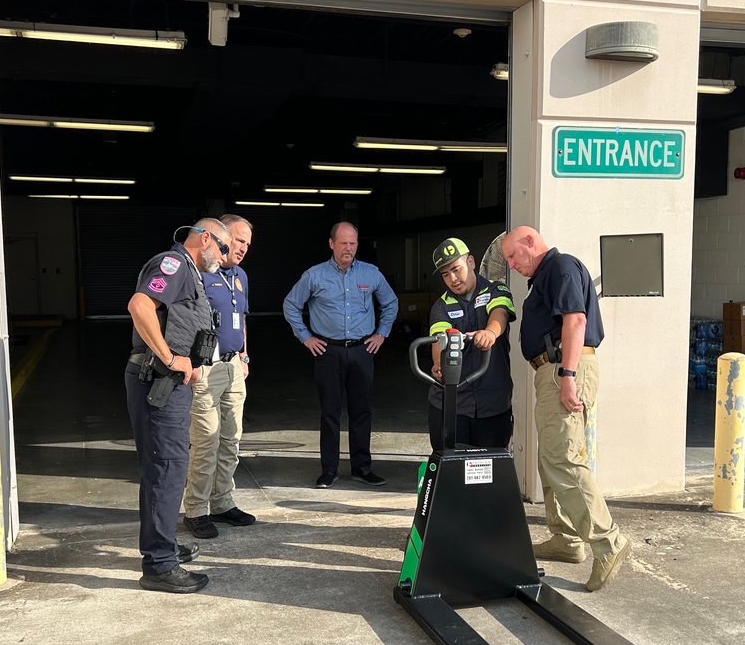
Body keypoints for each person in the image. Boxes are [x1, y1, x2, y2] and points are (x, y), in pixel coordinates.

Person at [501, 225, 630, 592]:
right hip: (553, 370)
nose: (512, 264)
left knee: (565, 459)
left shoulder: (560, 267)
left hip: (564, 369)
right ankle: (566, 540)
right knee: (552, 458)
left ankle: (608, 543)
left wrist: (568, 375)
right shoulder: (546, 275)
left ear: (530, 242)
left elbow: (576, 320)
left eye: (513, 255)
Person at [124, 217, 232, 593]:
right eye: (222, 247)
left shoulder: (188, 272)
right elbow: (140, 306)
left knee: (165, 468)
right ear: (204, 239)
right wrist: (170, 358)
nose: (225, 255)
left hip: (171, 385)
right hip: (160, 382)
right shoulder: (171, 264)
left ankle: (163, 545)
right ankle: (159, 565)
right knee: (166, 470)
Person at [283, 222, 399, 489]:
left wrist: (381, 332)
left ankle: (362, 468)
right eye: (344, 242)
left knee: (361, 412)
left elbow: (390, 303)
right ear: (331, 243)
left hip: (362, 351)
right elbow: (290, 304)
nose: (349, 248)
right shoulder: (314, 275)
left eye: (353, 243)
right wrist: (305, 337)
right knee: (330, 413)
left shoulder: (371, 274)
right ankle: (329, 470)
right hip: (328, 352)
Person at [183, 214, 256, 539]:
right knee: (206, 441)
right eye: (238, 241)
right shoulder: (198, 273)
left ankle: (223, 501)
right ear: (222, 237)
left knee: (231, 440)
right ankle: (196, 509)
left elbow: (241, 319)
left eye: (247, 244)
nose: (242, 249)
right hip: (206, 369)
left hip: (232, 368)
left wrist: (243, 355)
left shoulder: (240, 276)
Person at [426, 237, 516, 450]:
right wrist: (439, 364)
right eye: (445, 274)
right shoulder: (441, 306)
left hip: (493, 403)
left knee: (490, 471)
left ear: (471, 262)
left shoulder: (497, 290)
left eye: (456, 269)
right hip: (452, 405)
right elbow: (439, 339)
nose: (453, 279)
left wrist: (490, 332)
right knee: (450, 471)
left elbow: (500, 313)